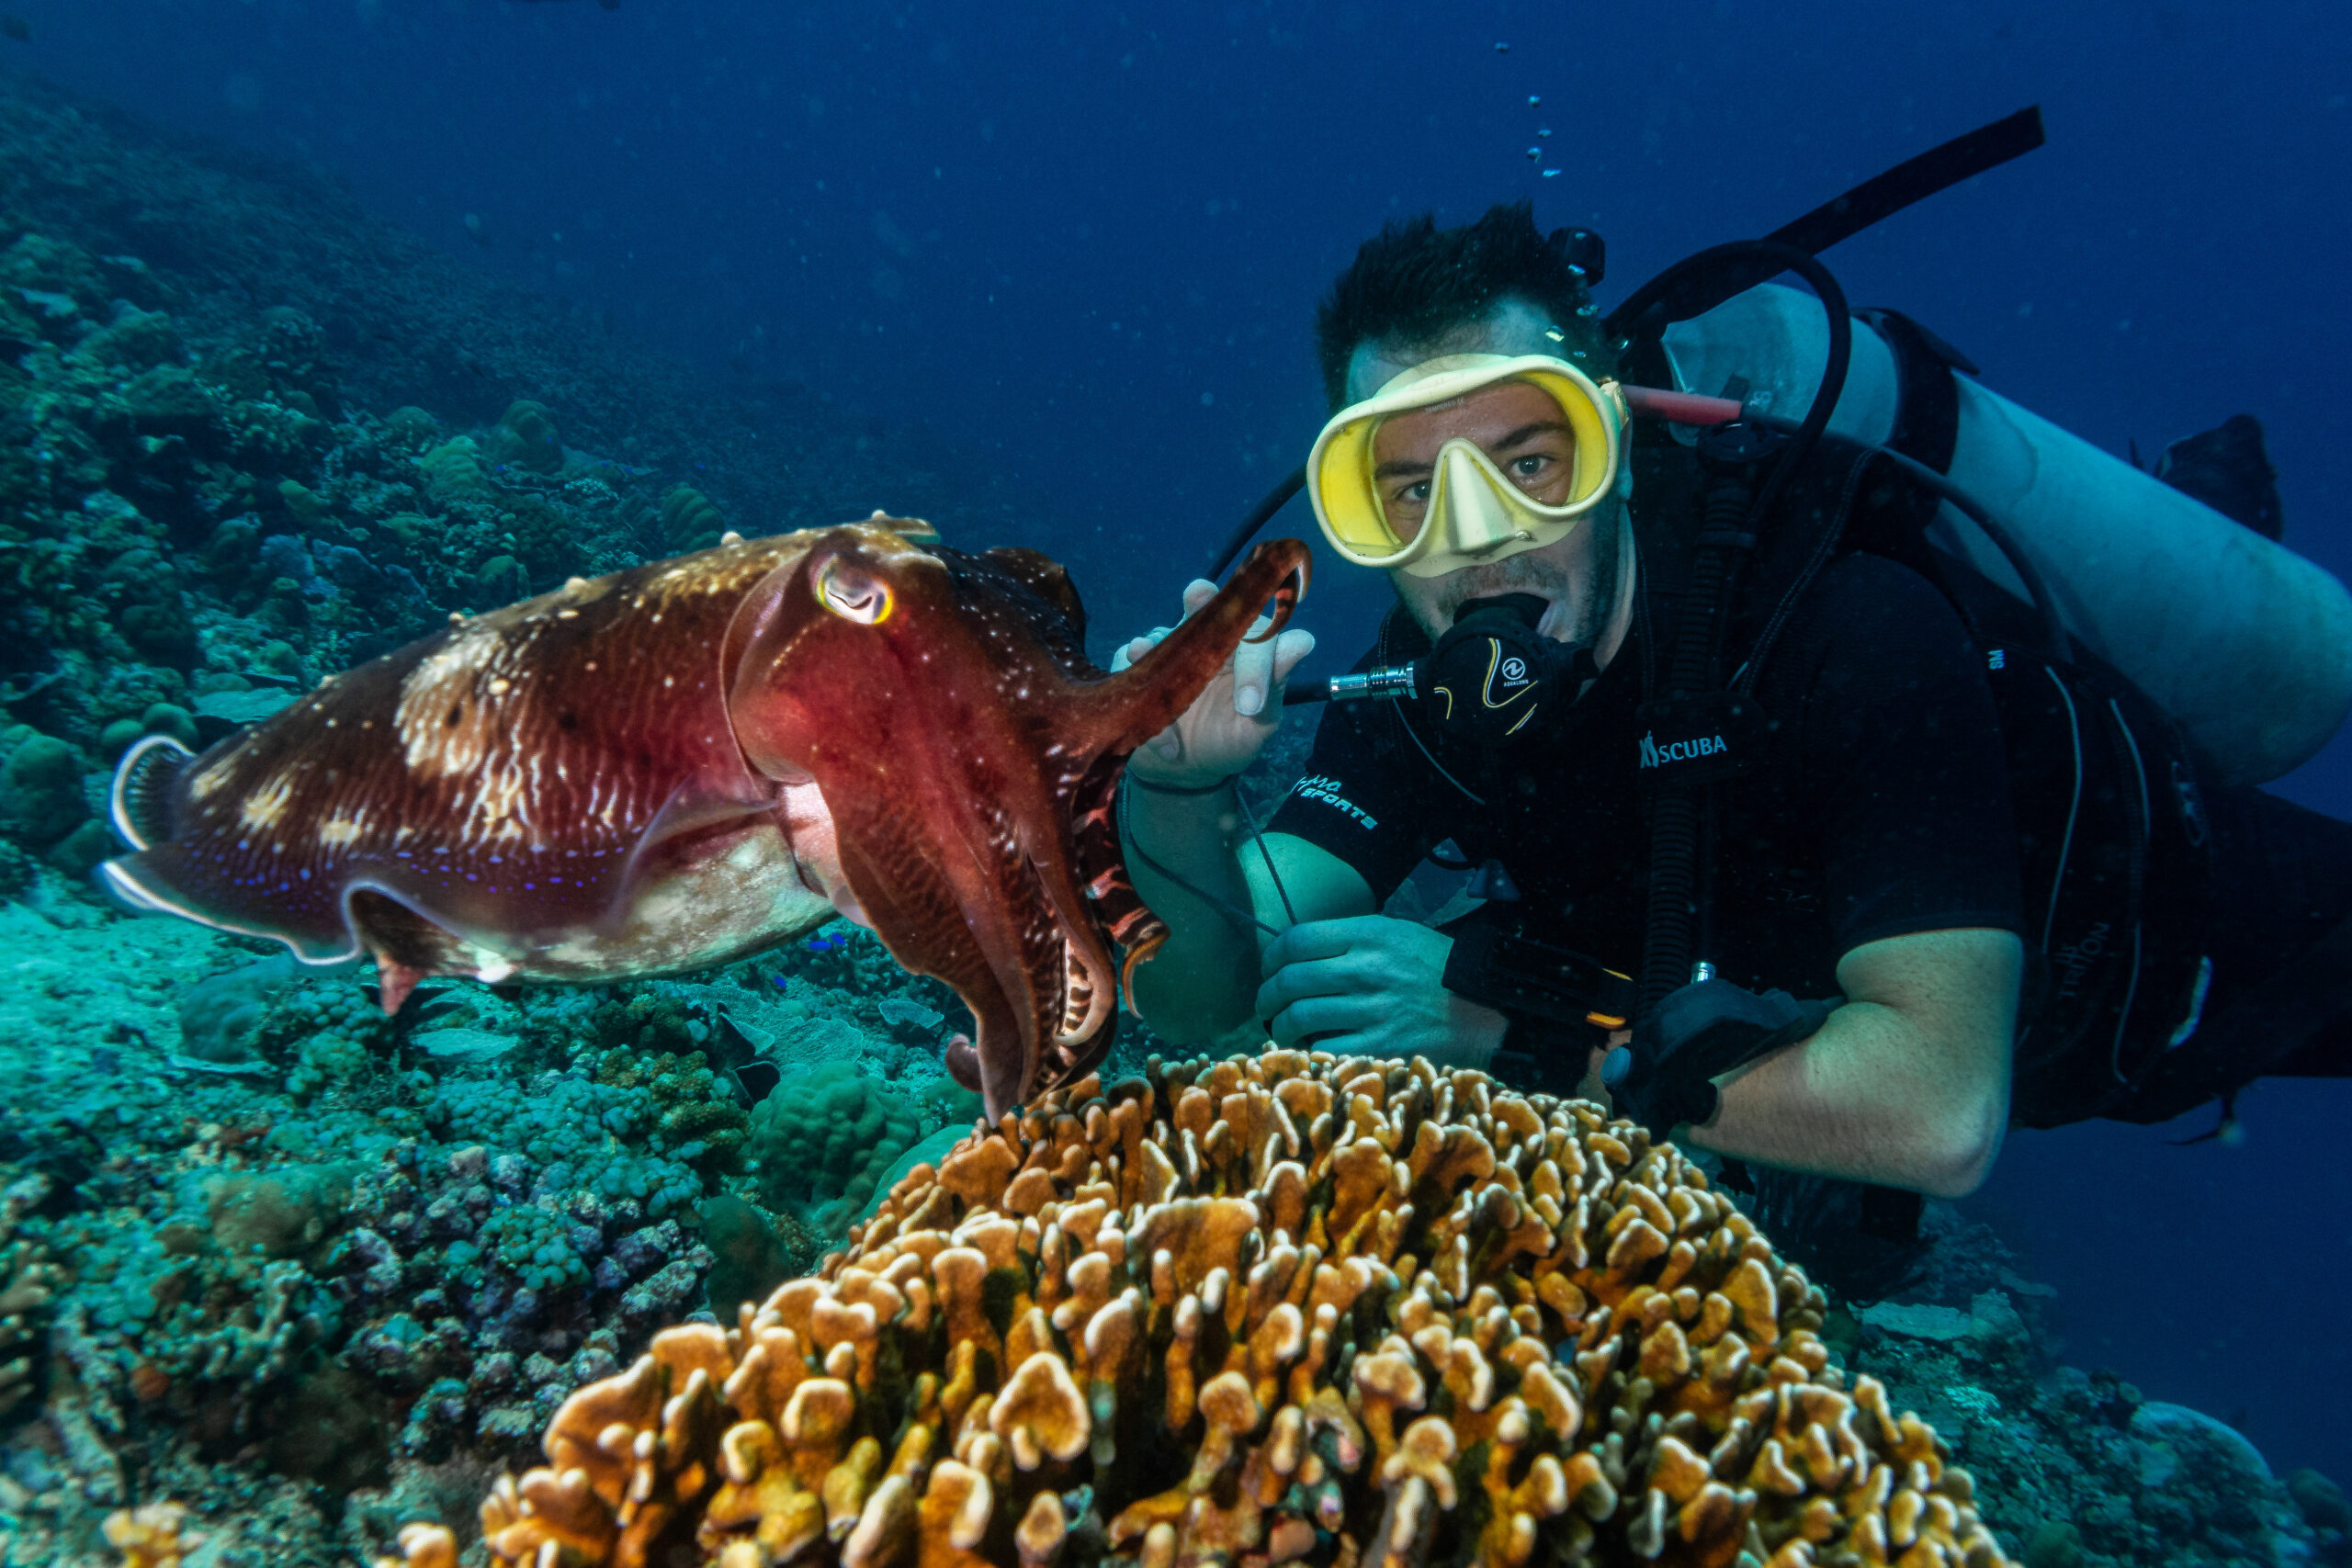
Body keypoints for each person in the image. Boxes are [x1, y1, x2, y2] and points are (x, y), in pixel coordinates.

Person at [1114, 202, 2352, 1280]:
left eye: (1531, 462)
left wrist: (1509, 1031)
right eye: (1408, 491)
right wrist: (1175, 788)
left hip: (2185, 947)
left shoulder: (1840, 631)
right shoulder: (1419, 695)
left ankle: (2208, 526)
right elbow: (1201, 988)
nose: (1481, 536)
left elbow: (1940, 1110)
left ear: (1614, 451)